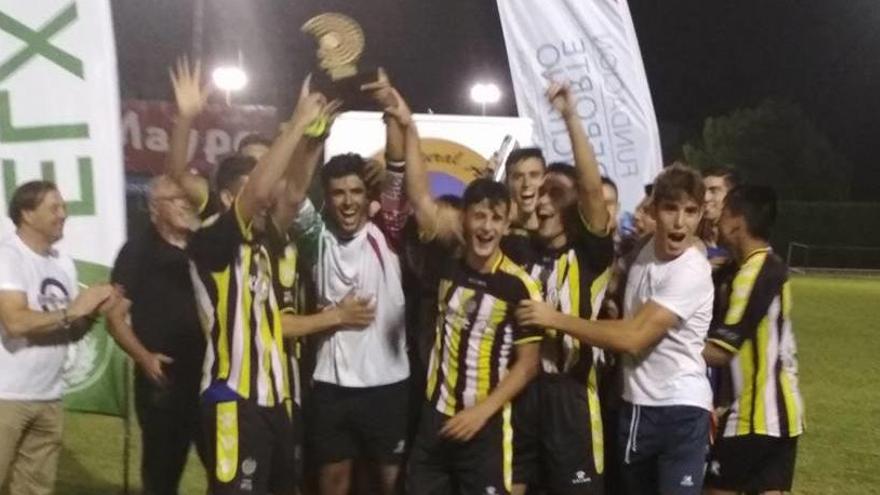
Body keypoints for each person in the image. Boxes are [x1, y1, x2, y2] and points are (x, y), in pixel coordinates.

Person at [517, 163, 714, 495]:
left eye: (691, 212)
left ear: (700, 216)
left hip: (680, 410)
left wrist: (554, 319)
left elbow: (634, 338)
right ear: (652, 211)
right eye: (671, 209)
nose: (681, 221)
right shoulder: (639, 250)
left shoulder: (692, 268)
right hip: (633, 405)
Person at [392, 87, 542, 495]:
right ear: (466, 219)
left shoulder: (519, 283)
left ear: (507, 224)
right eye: (479, 217)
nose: (487, 227)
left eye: (496, 219)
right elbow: (421, 197)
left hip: (486, 426)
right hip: (435, 418)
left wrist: (482, 412)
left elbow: (528, 364)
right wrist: (409, 125)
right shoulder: (449, 260)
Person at [184, 76, 328, 494]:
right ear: (228, 199)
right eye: (249, 191)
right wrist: (296, 123)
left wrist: (314, 136)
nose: (263, 198)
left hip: (275, 400)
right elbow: (264, 190)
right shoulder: (211, 240)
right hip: (233, 400)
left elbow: (295, 188)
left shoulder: (264, 242)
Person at [287, 69, 411, 495]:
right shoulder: (314, 238)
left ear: (366, 196)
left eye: (356, 192)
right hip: (332, 388)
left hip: (388, 386)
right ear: (328, 196)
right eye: (338, 192)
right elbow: (290, 194)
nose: (348, 201)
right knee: (332, 484)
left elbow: (396, 168)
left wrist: (392, 112)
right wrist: (311, 133)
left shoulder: (388, 230)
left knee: (391, 484)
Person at [511, 82, 614, 495]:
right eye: (539, 193)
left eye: (555, 193)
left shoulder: (591, 255)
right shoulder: (518, 249)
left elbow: (591, 190)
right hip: (519, 393)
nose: (542, 201)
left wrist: (571, 118)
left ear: (574, 207)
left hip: (570, 398)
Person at [0, 181, 116, 494]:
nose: (63, 214)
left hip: (48, 396)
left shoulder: (62, 262)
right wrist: (73, 310)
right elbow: (14, 322)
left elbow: (70, 329)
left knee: (35, 489)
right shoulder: (7, 256)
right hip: (6, 396)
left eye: (63, 207)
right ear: (26, 213)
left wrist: (93, 311)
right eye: (54, 207)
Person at [106, 175, 207, 494]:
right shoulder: (138, 251)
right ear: (154, 208)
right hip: (165, 381)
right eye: (176, 199)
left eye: (189, 199)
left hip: (211, 378)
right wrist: (144, 358)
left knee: (227, 472)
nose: (186, 205)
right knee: (162, 477)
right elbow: (115, 317)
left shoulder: (205, 245)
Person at [702, 185, 805, 495]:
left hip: (751, 417)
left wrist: (657, 343)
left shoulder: (757, 271)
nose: (716, 222)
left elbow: (720, 351)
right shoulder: (748, 268)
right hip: (782, 417)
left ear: (737, 221)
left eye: (722, 215)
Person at [700, 166, 741, 269]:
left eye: (714, 191)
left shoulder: (742, 238)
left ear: (732, 195)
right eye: (702, 191)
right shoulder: (689, 234)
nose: (705, 198)